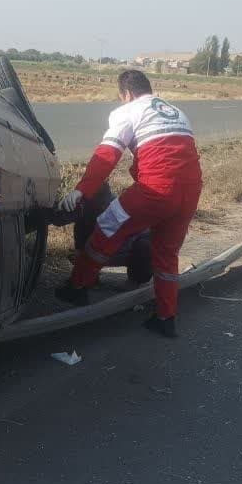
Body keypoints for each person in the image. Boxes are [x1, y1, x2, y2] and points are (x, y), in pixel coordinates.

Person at [54, 70, 202, 338]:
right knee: (167, 253)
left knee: (107, 226)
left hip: (156, 188)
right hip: (190, 191)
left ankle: (77, 288)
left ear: (127, 94)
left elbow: (107, 154)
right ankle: (166, 318)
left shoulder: (128, 111)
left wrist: (82, 190)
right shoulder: (175, 110)